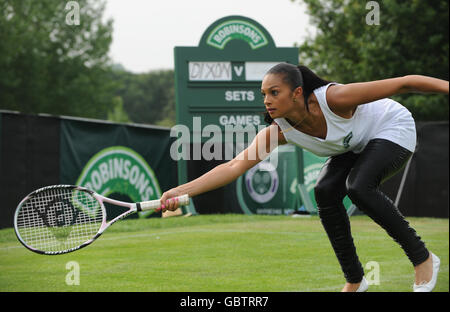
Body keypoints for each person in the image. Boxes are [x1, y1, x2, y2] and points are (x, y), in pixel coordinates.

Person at [160, 62, 449, 292]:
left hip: (391, 127)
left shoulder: (334, 98)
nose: (267, 100)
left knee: (359, 186)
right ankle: (356, 280)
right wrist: (179, 191)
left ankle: (422, 258)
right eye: (264, 94)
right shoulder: (278, 131)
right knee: (324, 191)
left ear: (297, 93)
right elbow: (233, 167)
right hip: (354, 144)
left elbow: (405, 82)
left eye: (275, 92)